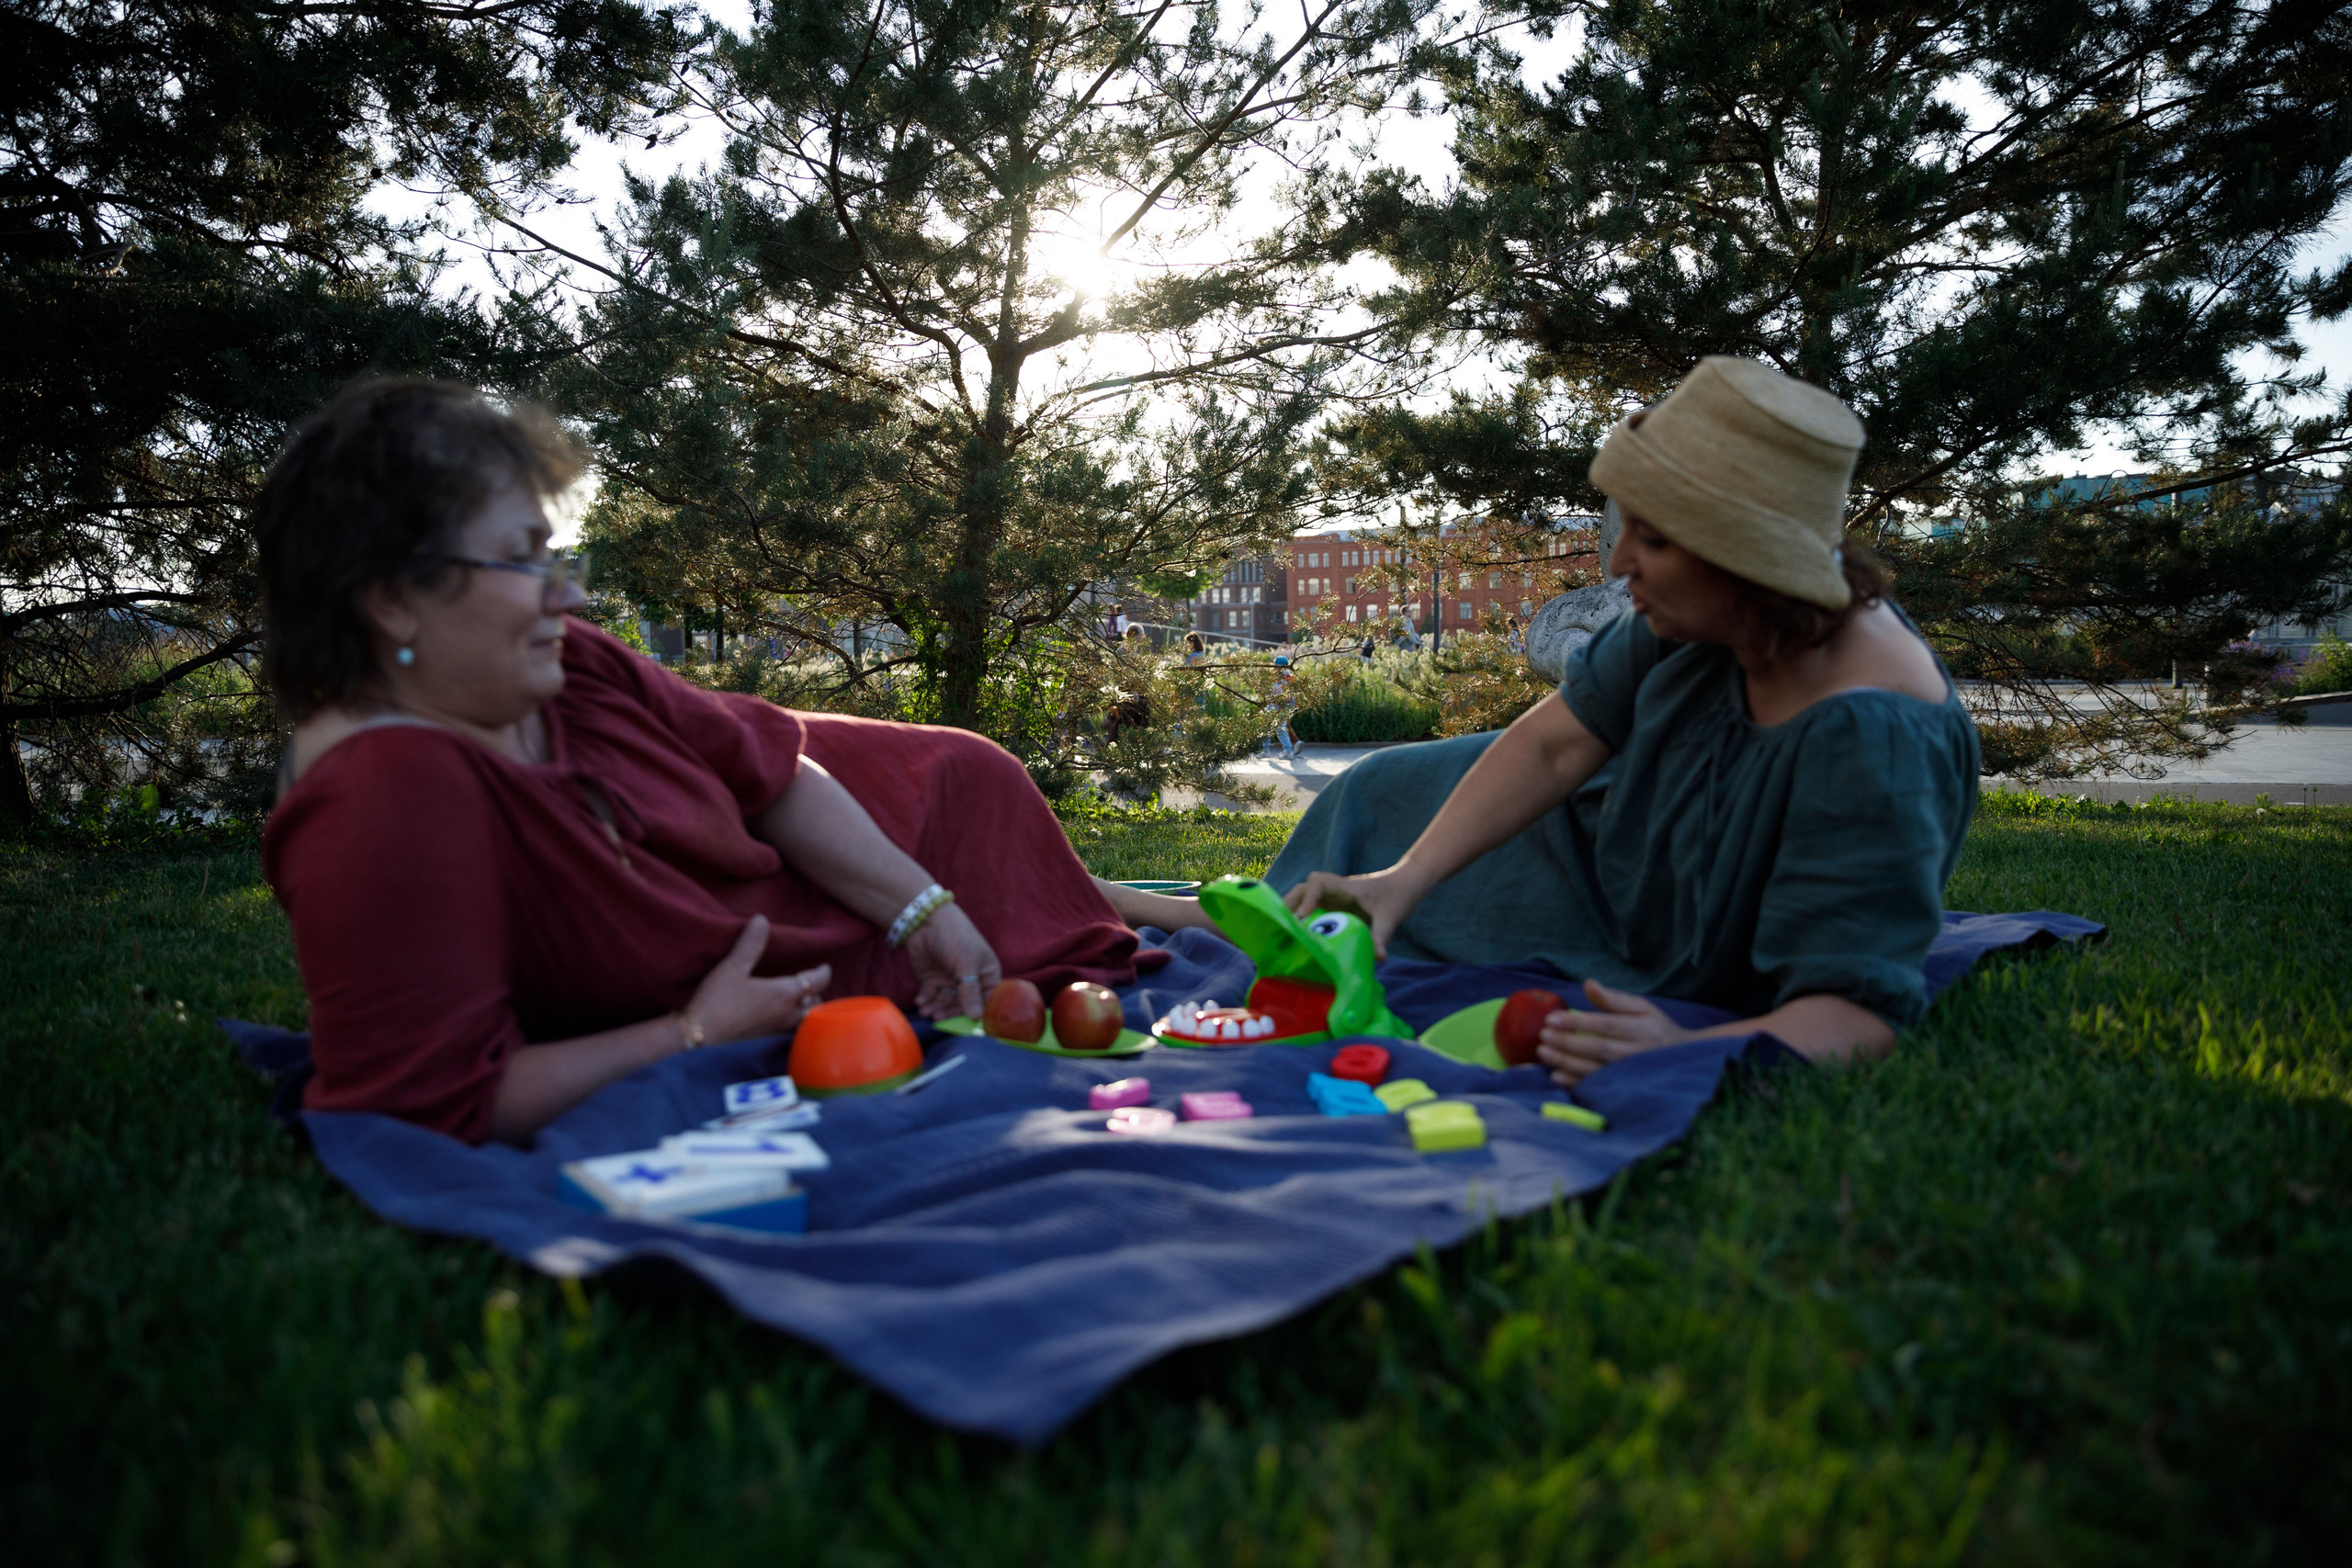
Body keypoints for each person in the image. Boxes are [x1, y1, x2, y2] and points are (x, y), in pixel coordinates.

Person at [258, 380, 1136, 1145]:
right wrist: (692, 1034)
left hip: (858, 848)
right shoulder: (383, 798)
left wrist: (922, 909)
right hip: (813, 961)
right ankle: (1167, 908)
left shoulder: (571, 668)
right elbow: (436, 1103)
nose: (572, 593)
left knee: (979, 796)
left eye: (555, 555)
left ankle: (1170, 908)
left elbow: (774, 770)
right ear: (392, 599)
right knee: (1032, 908)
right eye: (523, 560)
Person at [1100, 358, 1978, 1087]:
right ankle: (1200, 911)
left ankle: (1163, 910)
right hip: (1606, 818)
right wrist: (1403, 880)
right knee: (1373, 793)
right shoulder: (1696, 615)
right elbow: (1559, 740)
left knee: (1412, 877)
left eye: (1657, 542)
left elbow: (1859, 1018)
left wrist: (1685, 1049)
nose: (1621, 562)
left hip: (1669, 921)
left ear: (1749, 562)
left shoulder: (1873, 741)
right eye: (1625, 527)